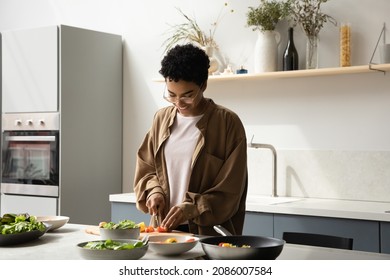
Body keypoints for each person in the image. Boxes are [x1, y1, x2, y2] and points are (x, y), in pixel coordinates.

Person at [133, 44, 247, 236]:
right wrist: (154, 191)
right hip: (163, 232)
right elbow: (146, 166)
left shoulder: (227, 123)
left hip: (208, 235)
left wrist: (192, 208)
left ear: (203, 85)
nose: (178, 103)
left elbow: (231, 190)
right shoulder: (161, 119)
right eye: (171, 95)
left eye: (187, 96)